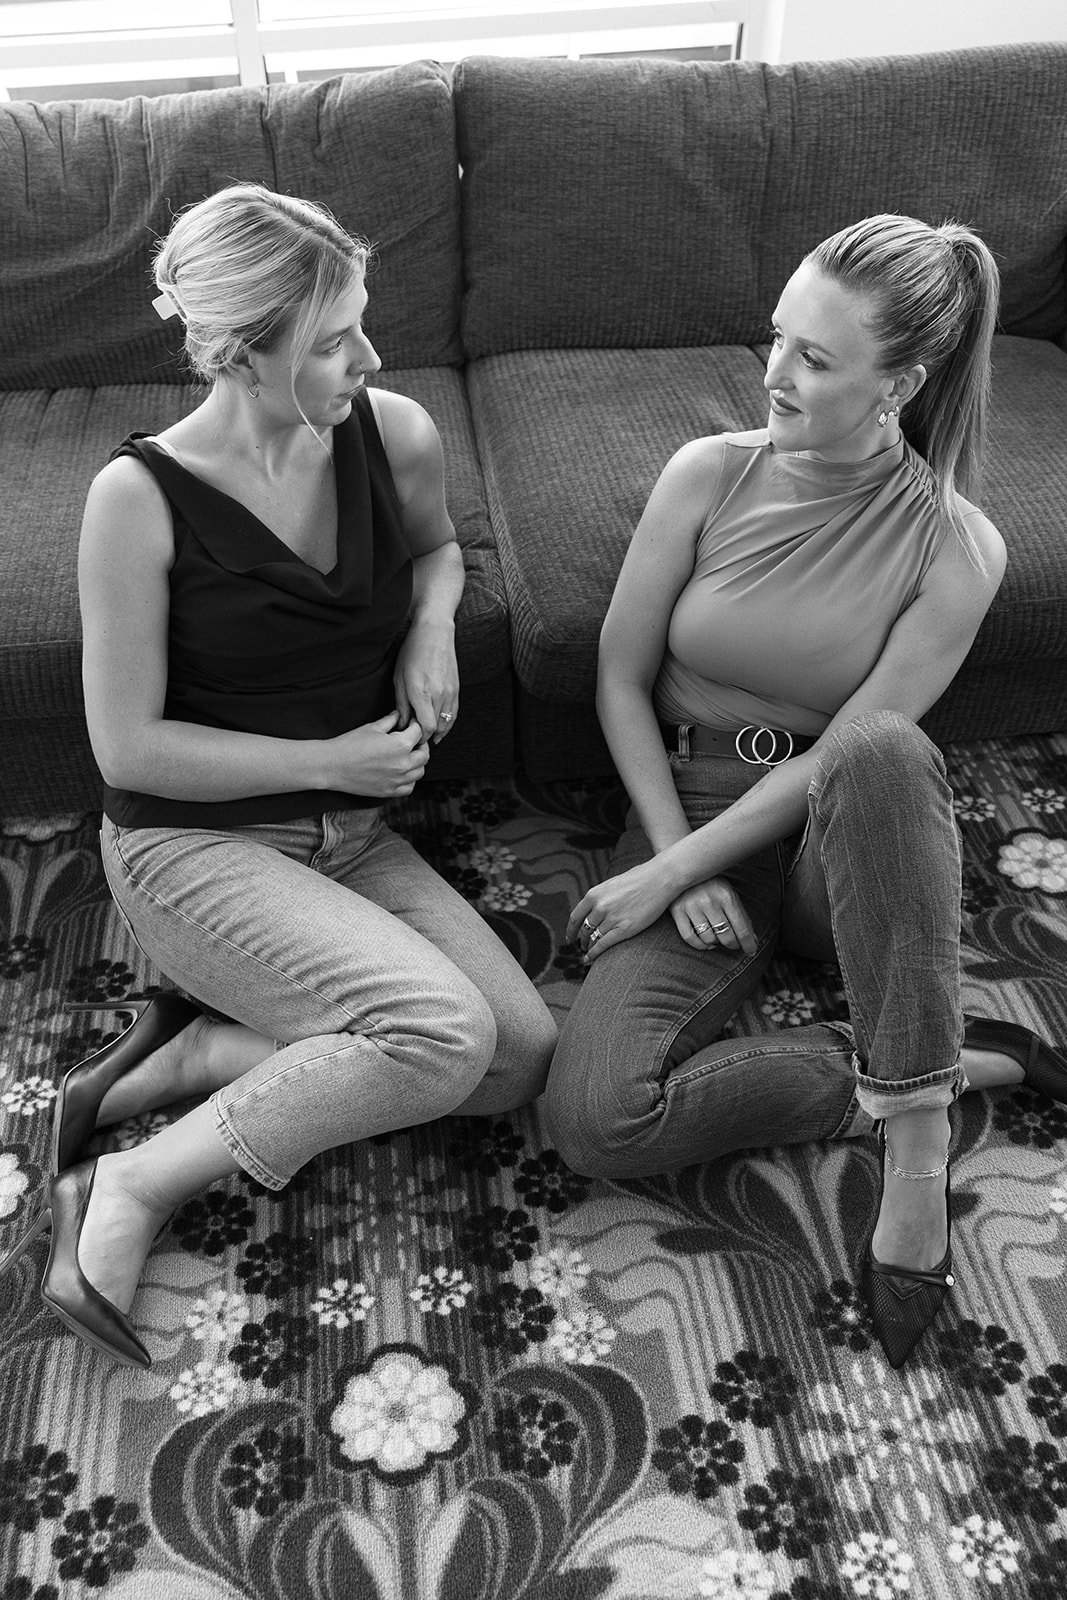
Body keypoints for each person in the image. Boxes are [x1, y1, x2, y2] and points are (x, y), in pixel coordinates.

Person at [1, 184, 556, 1367]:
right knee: (438, 1037)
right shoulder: (134, 501)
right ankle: (130, 1184)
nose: (368, 353)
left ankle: (196, 1048)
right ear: (241, 355)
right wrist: (329, 758)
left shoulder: (394, 431)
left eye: (361, 318)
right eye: (331, 339)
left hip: (350, 834)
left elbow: (438, 549)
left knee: (517, 1059)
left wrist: (428, 627)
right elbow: (129, 751)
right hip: (190, 845)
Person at [544, 213, 1067, 1369]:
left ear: (902, 380)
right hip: (689, 801)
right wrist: (675, 855)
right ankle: (940, 1052)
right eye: (777, 338)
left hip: (841, 837)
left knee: (880, 748)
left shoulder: (954, 546)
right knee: (592, 1117)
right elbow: (620, 681)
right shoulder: (707, 475)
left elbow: (846, 754)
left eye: (816, 358)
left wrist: (662, 872)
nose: (774, 373)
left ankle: (918, 1156)